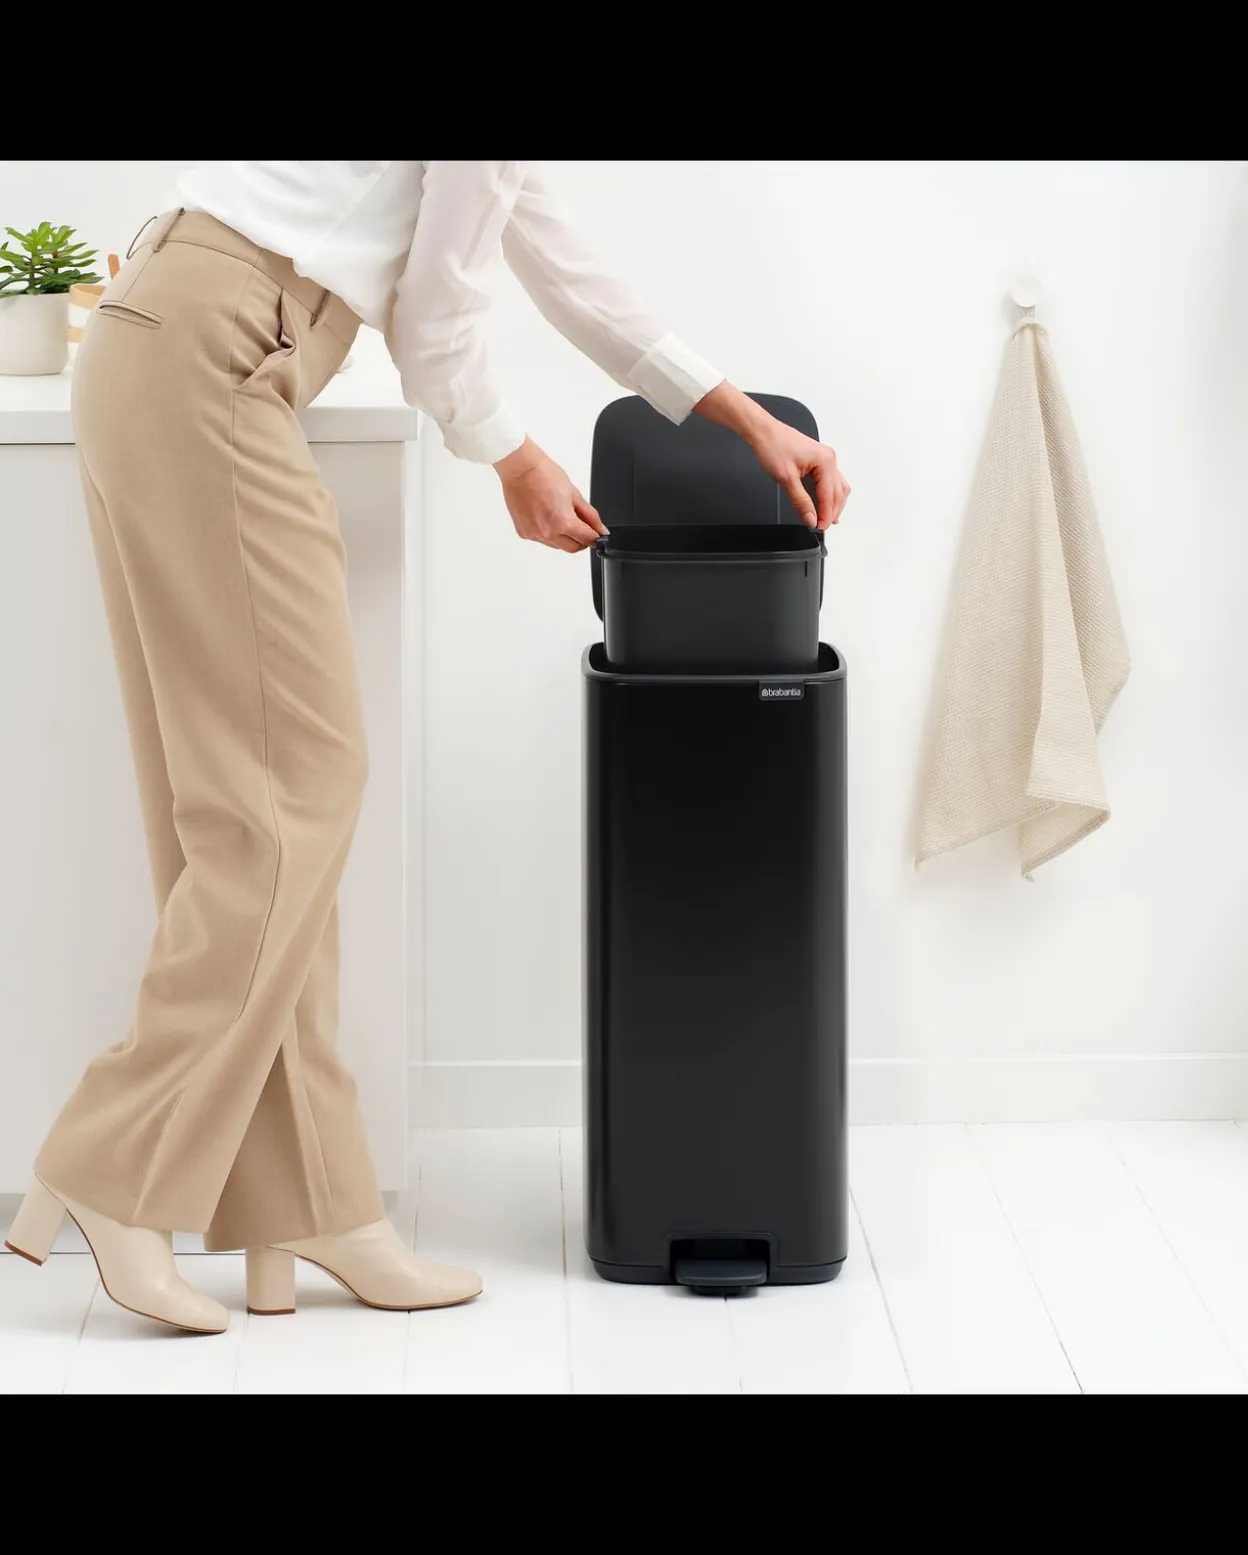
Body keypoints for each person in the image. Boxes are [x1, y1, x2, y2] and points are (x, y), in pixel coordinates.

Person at [3, 161, 851, 1334]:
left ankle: (312, 1202)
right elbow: (433, 321)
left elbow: (564, 269)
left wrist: (748, 421)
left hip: (179, 340)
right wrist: (511, 453)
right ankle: (108, 1164)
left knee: (254, 812)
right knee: (288, 802)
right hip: (215, 350)